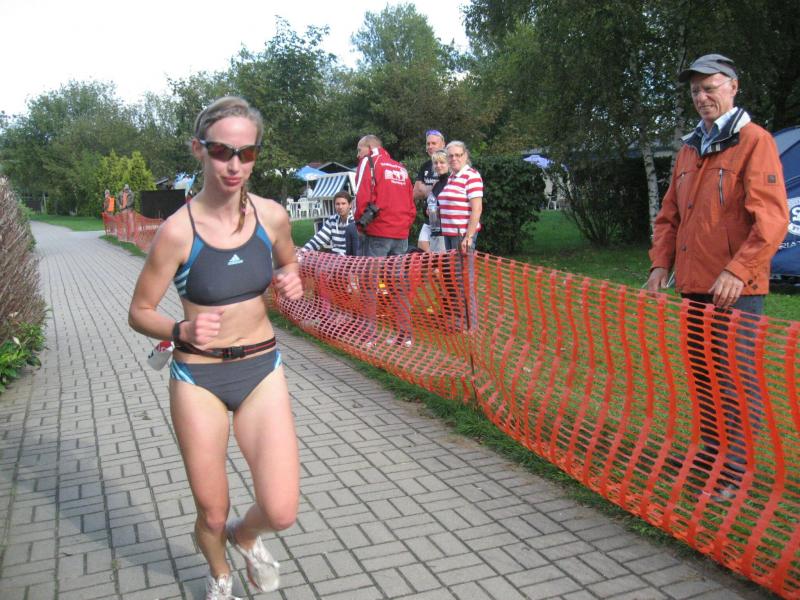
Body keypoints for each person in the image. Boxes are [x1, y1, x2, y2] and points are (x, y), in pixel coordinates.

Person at [128, 96, 303, 600]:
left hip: (262, 371)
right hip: (198, 377)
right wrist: (180, 329)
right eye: (222, 151)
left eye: (247, 153)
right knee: (211, 512)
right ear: (199, 150)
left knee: (281, 510)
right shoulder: (176, 232)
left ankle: (244, 537)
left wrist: (292, 279)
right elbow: (139, 311)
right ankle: (220, 572)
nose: (234, 165)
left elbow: (288, 263)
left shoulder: (272, 216)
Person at [646, 54, 788, 502]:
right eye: (695, 91)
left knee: (735, 381)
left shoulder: (755, 140)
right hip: (693, 285)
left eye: (710, 87)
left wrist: (738, 270)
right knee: (705, 378)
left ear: (733, 87)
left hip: (734, 290)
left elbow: (772, 219)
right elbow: (670, 215)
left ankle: (736, 471)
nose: (702, 97)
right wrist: (660, 264)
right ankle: (712, 455)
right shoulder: (690, 148)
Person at [353, 135, 416, 346]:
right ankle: (405, 335)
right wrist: (405, 224)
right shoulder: (400, 167)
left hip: (378, 231)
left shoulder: (370, 161)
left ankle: (368, 335)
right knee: (398, 284)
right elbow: (410, 201)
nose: (358, 155)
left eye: (359, 149)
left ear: (370, 147)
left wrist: (360, 223)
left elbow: (362, 195)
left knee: (368, 284)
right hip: (400, 232)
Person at [302, 190, 359, 256]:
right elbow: (318, 239)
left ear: (350, 205)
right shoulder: (332, 220)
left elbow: (356, 249)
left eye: (343, 203)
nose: (340, 207)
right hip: (335, 256)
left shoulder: (355, 221)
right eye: (337, 204)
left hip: (350, 258)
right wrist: (303, 251)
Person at [417, 150, 449, 253]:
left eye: (442, 162)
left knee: (444, 261)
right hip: (434, 229)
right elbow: (429, 205)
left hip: (446, 232)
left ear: (449, 164)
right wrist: (427, 210)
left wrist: (439, 211)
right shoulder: (436, 183)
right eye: (436, 163)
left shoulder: (451, 182)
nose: (438, 165)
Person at [413, 129, 446, 203]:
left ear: (443, 144)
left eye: (434, 143)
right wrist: (434, 188)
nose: (430, 147)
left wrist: (425, 188)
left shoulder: (451, 164)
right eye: (428, 144)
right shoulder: (425, 166)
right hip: (430, 209)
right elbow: (415, 193)